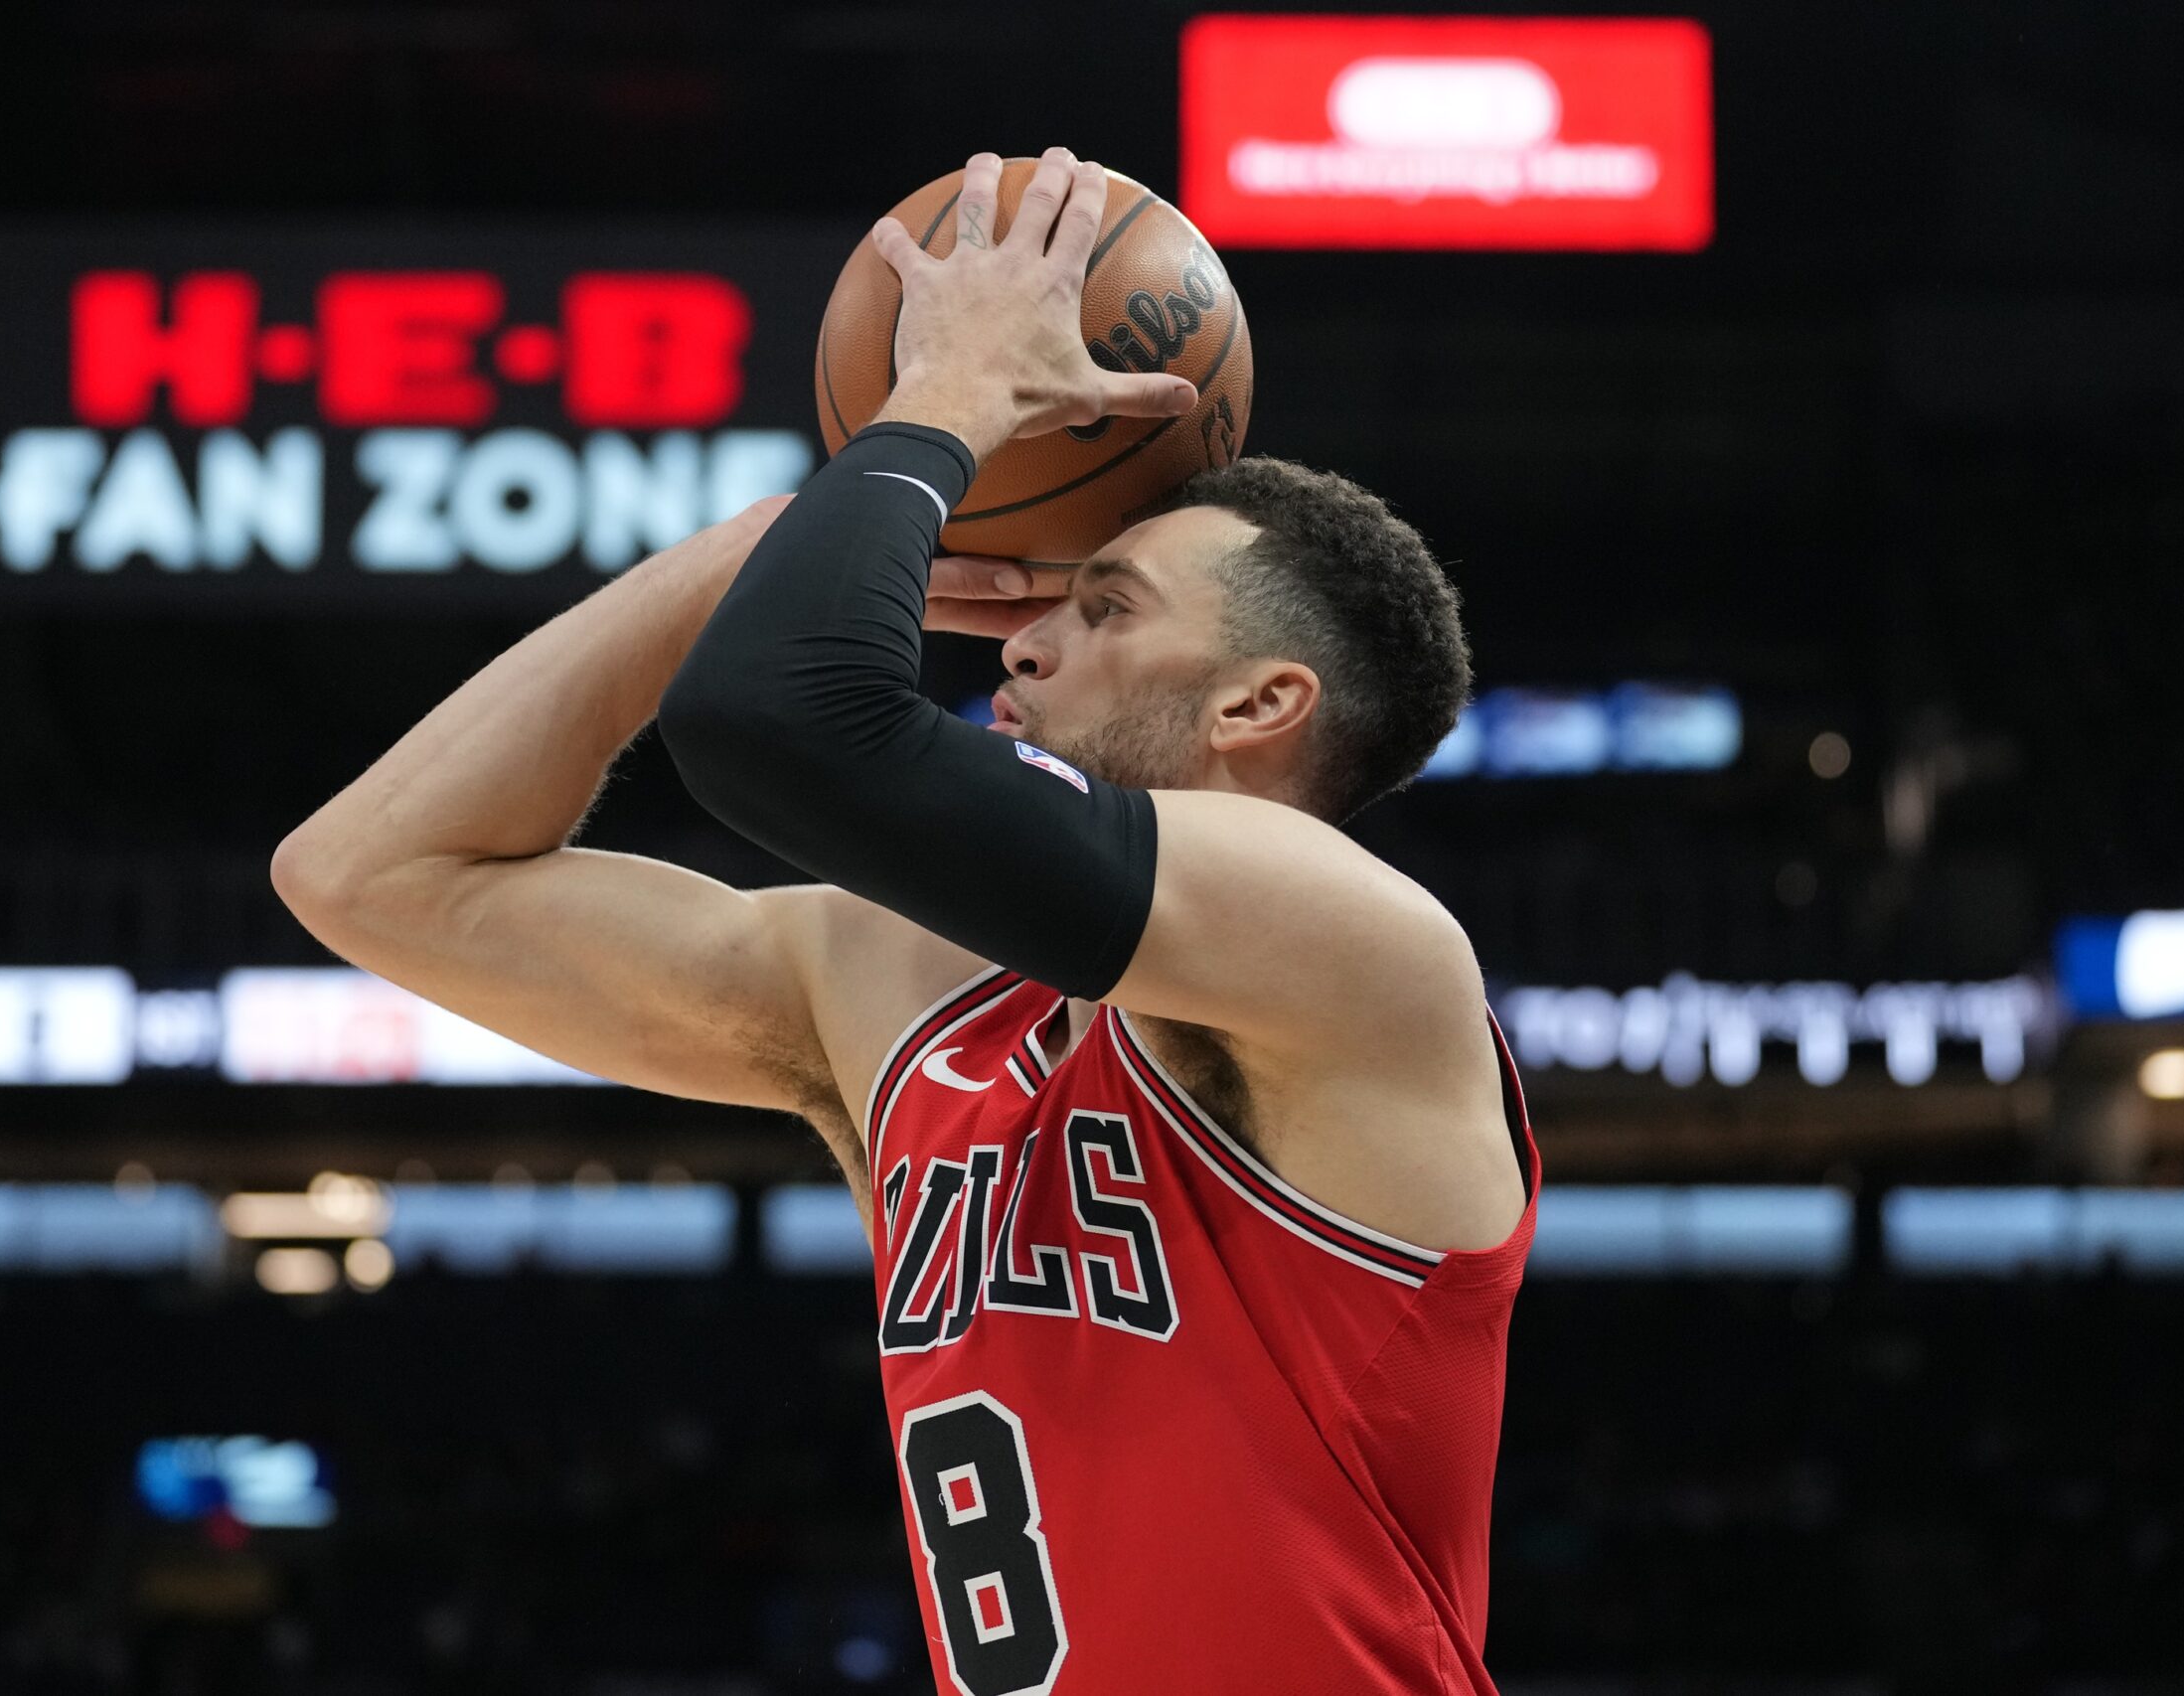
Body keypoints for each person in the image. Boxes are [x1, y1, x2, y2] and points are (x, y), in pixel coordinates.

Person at [274, 147, 1536, 1696]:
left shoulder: (1355, 947)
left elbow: (782, 724)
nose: (1021, 638)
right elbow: (371, 875)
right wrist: (745, 551)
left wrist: (932, 407)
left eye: (1105, 606)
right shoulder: (899, 993)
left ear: (1263, 702)